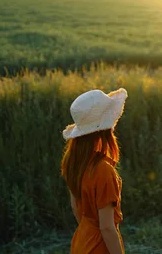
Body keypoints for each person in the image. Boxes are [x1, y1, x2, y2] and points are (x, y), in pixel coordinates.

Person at [61, 88, 127, 254]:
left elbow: (76, 209)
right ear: (104, 129)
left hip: (81, 242)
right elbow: (106, 228)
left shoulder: (74, 162)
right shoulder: (103, 171)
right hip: (100, 247)